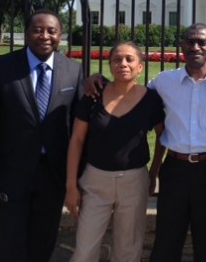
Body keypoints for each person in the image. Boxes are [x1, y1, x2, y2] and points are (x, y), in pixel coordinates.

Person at [84, 23, 206, 262]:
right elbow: (128, 93)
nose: (195, 47)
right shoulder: (164, 82)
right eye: (190, 42)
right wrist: (99, 79)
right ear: (182, 47)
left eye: (202, 42)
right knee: (166, 243)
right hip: (175, 171)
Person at [0, 9, 83, 262]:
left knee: (42, 245)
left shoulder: (73, 71)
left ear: (60, 35)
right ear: (26, 34)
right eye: (38, 30)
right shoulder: (1, 67)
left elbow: (78, 126)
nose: (45, 36)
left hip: (52, 176)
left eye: (52, 31)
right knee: (10, 245)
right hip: (10, 175)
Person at [65, 42, 165, 262]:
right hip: (94, 181)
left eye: (130, 59)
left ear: (140, 66)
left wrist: (153, 172)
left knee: (127, 250)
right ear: (110, 65)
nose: (123, 64)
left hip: (133, 181)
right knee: (85, 250)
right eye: (117, 59)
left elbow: (162, 136)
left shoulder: (150, 100)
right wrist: (71, 186)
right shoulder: (93, 94)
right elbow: (77, 140)